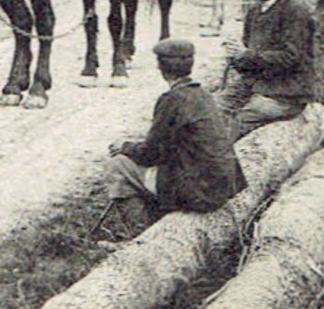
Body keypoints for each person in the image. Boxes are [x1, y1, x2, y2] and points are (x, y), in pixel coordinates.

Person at [98, 38, 246, 242]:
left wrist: (123, 147)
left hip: (199, 191)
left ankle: (140, 237)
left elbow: (152, 154)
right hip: (223, 186)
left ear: (161, 68)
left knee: (118, 166)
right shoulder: (202, 95)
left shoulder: (171, 100)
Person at [222, 0, 316, 138]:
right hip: (256, 84)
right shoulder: (254, 12)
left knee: (240, 121)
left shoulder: (294, 13)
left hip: (287, 91)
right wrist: (235, 57)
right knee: (214, 110)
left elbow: (290, 58)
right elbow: (249, 58)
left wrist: (247, 55)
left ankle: (217, 163)